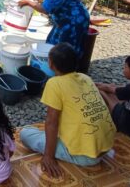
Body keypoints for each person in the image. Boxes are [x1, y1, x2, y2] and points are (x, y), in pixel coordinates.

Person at [20, 43, 115, 177]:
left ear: (51, 64)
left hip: (87, 157)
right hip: (106, 146)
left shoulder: (54, 83)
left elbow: (51, 122)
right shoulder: (85, 78)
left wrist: (48, 156)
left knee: (25, 133)